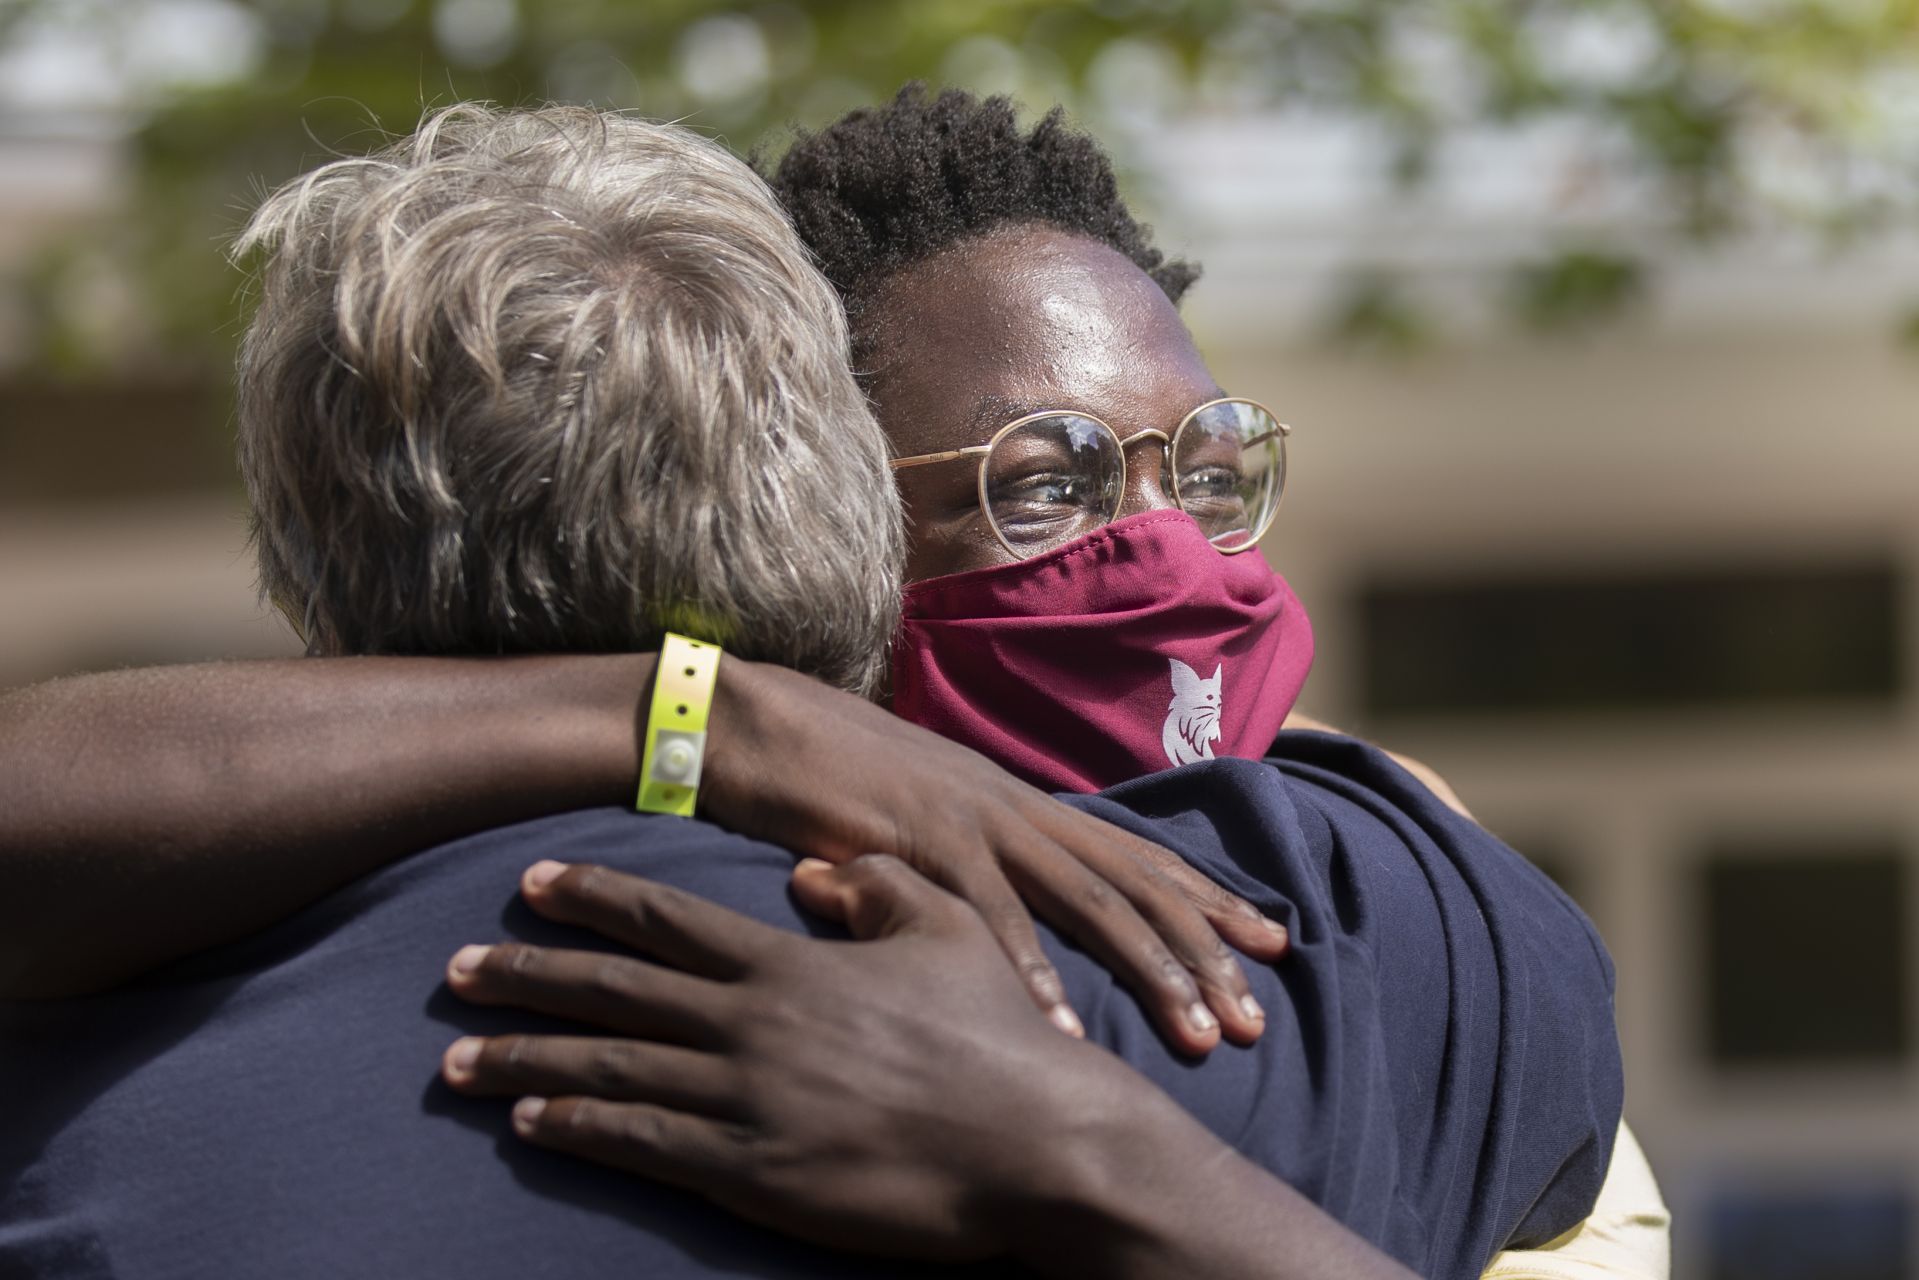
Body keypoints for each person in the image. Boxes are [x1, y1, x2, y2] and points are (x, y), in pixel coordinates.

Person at [0, 96, 1657, 1276]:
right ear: (841, 503)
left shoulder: (99, 1019)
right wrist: (1087, 1147)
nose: (1165, 554)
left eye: (1211, 467)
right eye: (1045, 482)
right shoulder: (1353, 933)